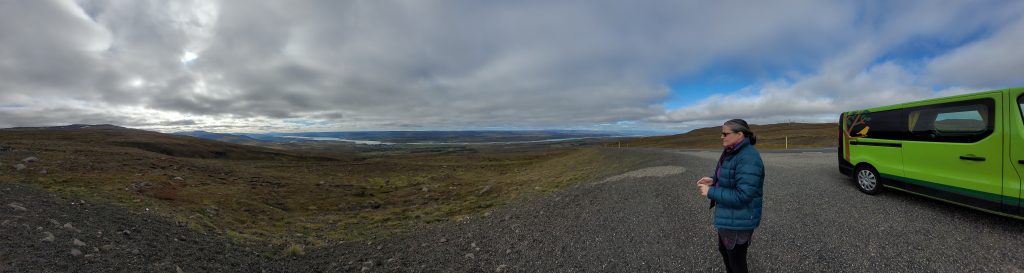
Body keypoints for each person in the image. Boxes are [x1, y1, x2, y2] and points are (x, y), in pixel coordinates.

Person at [696, 119, 765, 273]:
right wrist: (714, 180)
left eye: (725, 133)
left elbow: (743, 195)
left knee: (737, 263)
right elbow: (731, 176)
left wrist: (710, 192)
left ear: (740, 134)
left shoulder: (748, 158)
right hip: (730, 218)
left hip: (739, 221)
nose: (722, 137)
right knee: (726, 253)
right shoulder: (733, 151)